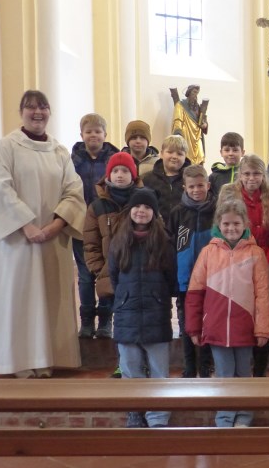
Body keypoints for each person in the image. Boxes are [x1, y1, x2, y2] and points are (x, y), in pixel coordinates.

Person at [0, 90, 86, 378]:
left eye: (43, 107)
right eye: (31, 108)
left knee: (50, 300)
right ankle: (18, 361)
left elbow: (74, 191)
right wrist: (26, 225)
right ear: (21, 112)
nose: (37, 113)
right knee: (20, 299)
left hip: (52, 240)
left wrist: (55, 225)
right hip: (16, 243)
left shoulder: (59, 151)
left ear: (50, 112)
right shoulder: (7, 147)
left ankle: (46, 359)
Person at [186, 197, 269, 428]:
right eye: (226, 224)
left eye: (236, 223)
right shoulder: (208, 252)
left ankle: (243, 417)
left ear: (245, 223)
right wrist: (194, 326)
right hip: (216, 327)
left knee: (244, 374)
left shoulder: (256, 254)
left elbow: (263, 293)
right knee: (224, 376)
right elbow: (195, 291)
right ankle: (224, 418)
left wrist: (263, 327)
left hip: (244, 327)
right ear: (218, 225)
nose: (231, 228)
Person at [108, 188, 176, 428]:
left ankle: (158, 417)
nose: (142, 211)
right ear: (130, 211)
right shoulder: (119, 241)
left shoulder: (164, 242)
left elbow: (170, 278)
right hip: (127, 313)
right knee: (130, 368)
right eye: (138, 207)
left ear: (154, 212)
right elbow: (114, 277)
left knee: (159, 371)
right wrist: (124, 298)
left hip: (156, 312)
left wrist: (159, 298)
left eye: (148, 207)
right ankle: (135, 412)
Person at [219, 154, 269, 378]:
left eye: (256, 174)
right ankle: (239, 371)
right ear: (240, 175)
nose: (251, 178)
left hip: (266, 262)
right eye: (247, 173)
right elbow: (223, 228)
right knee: (241, 314)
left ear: (263, 175)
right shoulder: (230, 194)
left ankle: (260, 370)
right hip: (237, 263)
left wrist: (265, 258)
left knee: (263, 317)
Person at [82, 152, 142, 342]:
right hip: (108, 270)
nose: (120, 175)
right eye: (115, 170)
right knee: (109, 306)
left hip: (136, 270)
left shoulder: (142, 202)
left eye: (125, 170)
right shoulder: (97, 206)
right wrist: (99, 269)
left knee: (132, 319)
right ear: (108, 175)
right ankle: (104, 324)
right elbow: (91, 242)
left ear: (133, 175)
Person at [71, 113, 119, 339]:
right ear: (82, 135)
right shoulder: (73, 160)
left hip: (107, 224)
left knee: (106, 273)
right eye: (89, 131)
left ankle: (105, 321)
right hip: (81, 225)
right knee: (85, 275)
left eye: (97, 131)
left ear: (105, 135)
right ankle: (87, 320)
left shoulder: (114, 159)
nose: (93, 135)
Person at [166, 164, 216, 379]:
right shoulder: (178, 213)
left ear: (208, 185)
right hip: (185, 281)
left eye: (200, 186)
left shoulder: (216, 211)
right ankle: (189, 366)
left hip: (211, 280)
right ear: (185, 188)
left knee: (208, 323)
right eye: (192, 186)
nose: (196, 190)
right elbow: (170, 245)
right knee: (187, 324)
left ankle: (205, 366)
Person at [143, 135, 192, 215]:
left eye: (179, 154)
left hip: (184, 225)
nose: (174, 157)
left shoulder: (191, 179)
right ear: (161, 154)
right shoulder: (148, 179)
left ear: (185, 156)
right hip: (157, 225)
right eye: (170, 152)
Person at [170, 84, 208, 165]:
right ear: (189, 92)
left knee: (200, 157)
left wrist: (205, 125)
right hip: (186, 136)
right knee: (186, 158)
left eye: (197, 93)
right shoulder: (180, 105)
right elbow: (178, 121)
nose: (195, 95)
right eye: (194, 92)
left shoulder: (197, 107)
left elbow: (203, 120)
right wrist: (178, 137)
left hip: (197, 137)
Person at [209, 132, 245, 196]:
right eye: (227, 150)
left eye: (235, 150)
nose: (230, 153)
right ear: (221, 152)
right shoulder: (213, 177)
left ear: (242, 152)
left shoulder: (246, 174)